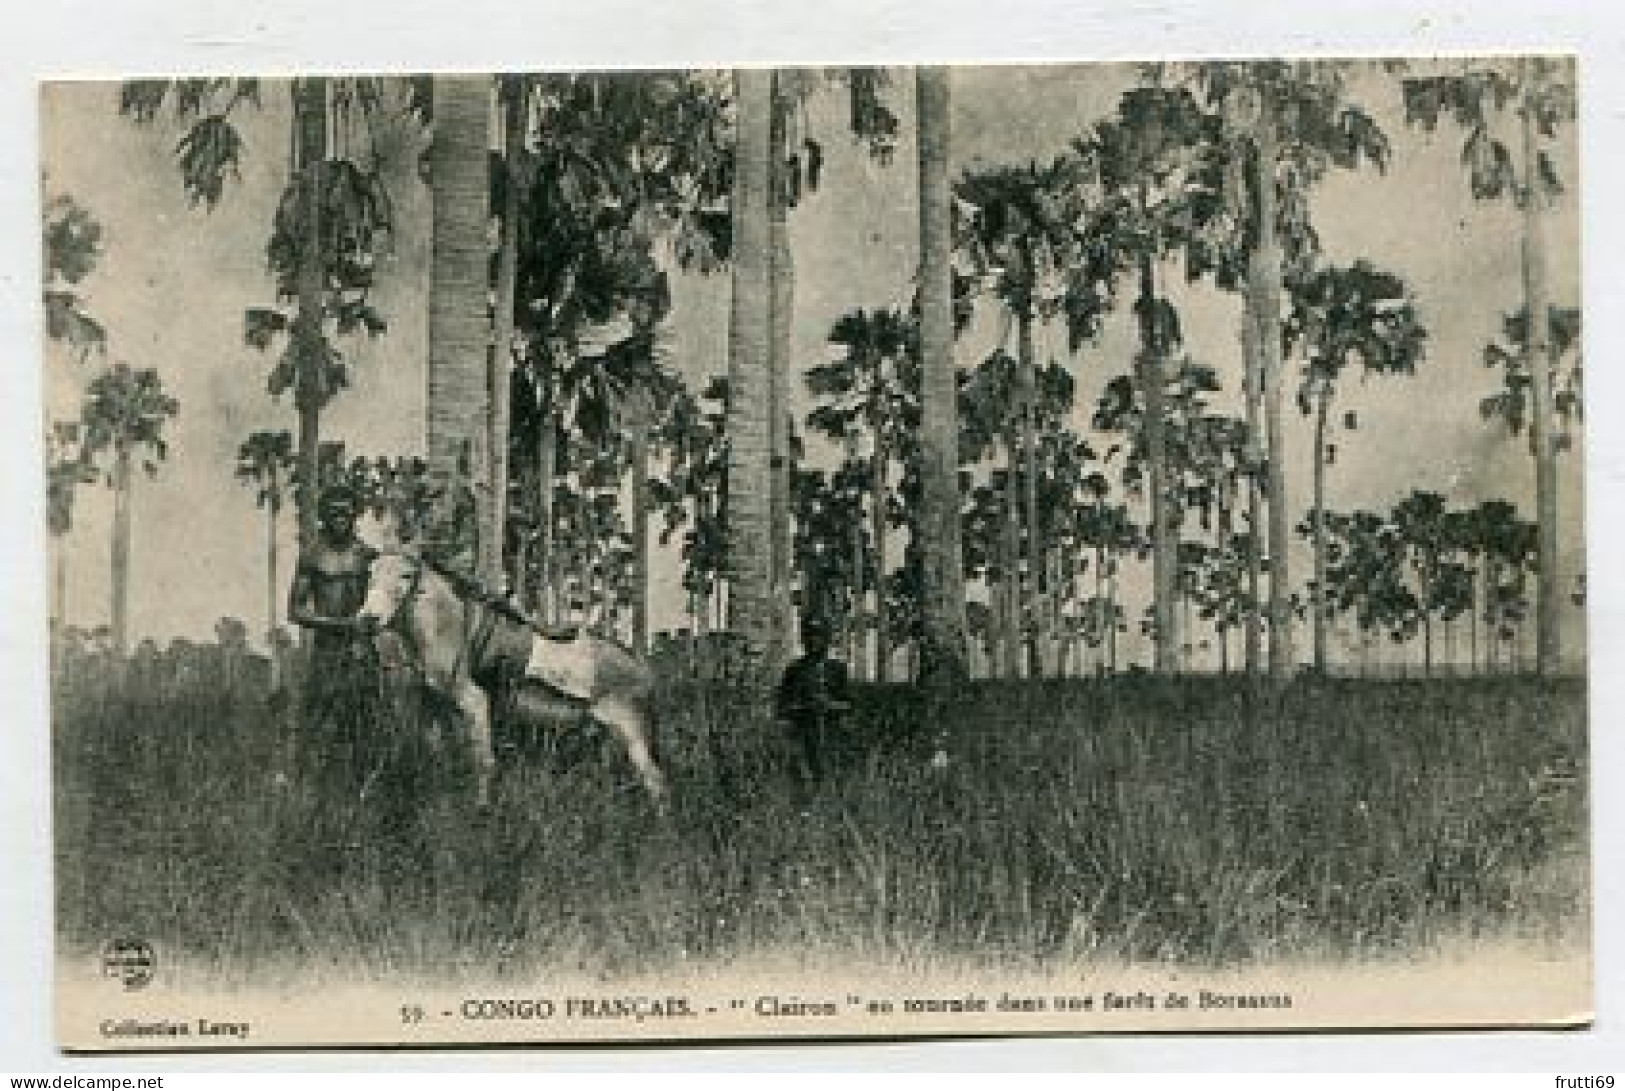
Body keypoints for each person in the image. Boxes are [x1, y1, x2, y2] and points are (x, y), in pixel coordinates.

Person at [287, 483, 380, 792]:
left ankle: (363, 789)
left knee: (366, 720)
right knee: (314, 719)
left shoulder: (368, 556)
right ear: (324, 516)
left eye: (346, 512)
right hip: (327, 649)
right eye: (333, 512)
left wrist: (366, 627)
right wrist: (336, 624)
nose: (340, 518)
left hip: (363, 649)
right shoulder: (312, 556)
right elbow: (296, 610)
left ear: (354, 514)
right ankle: (302, 786)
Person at [774, 616, 852, 790]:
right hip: (804, 735)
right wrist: (802, 708)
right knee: (805, 779)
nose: (813, 641)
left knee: (832, 779)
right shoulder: (794, 671)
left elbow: (850, 705)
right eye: (809, 636)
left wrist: (830, 704)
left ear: (827, 640)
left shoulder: (837, 670)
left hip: (832, 735)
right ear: (803, 640)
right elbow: (782, 707)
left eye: (819, 636)